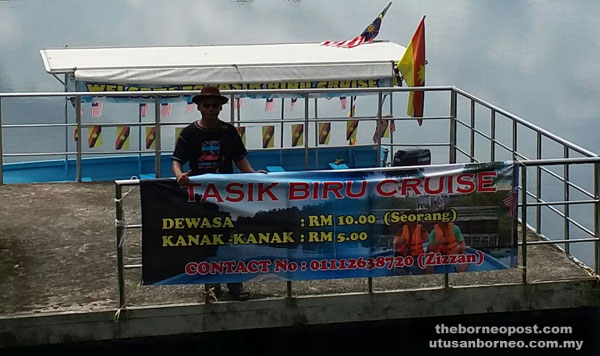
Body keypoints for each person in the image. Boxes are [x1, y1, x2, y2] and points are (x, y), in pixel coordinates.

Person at [172, 86, 264, 301]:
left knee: (230, 239)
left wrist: (253, 175)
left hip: (227, 195)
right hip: (200, 196)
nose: (211, 109)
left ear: (221, 108)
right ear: (199, 107)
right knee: (206, 240)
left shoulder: (228, 131)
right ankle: (211, 284)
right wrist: (179, 177)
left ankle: (235, 284)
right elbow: (177, 161)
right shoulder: (189, 133)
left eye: (215, 105)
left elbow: (240, 159)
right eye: (207, 105)